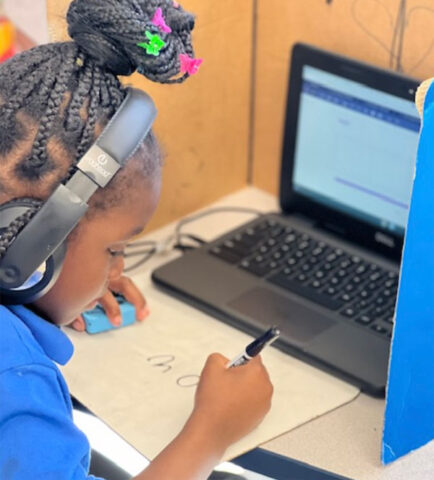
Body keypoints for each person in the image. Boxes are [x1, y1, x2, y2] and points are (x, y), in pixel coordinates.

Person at [0, 1, 274, 479]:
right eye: (114, 249)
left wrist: (66, 280)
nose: (117, 271)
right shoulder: (18, 390)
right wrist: (210, 433)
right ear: (34, 240)